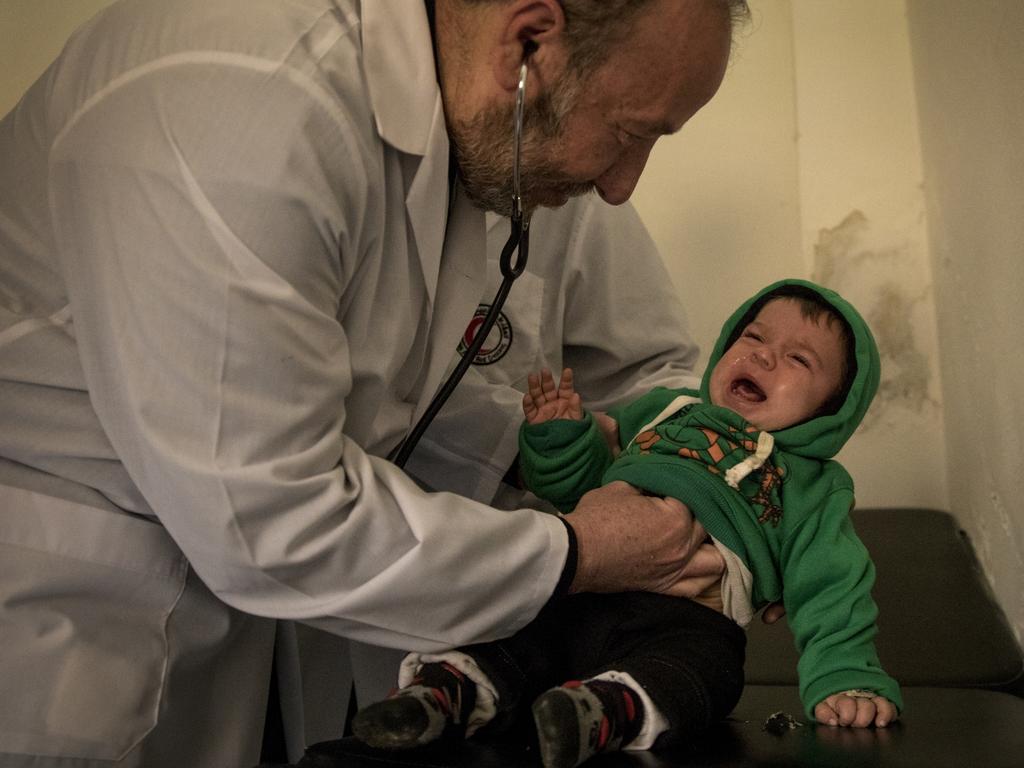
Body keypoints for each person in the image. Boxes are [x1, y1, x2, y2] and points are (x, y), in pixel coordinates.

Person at [0, 0, 750, 765]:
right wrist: (575, 551)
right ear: (528, 41)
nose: (624, 186)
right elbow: (267, 512)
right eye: (630, 131)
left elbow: (622, 377)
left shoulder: (495, 138)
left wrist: (673, 492)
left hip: (299, 613)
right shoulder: (246, 102)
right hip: (73, 609)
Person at [352, 279, 902, 768]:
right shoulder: (666, 410)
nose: (763, 357)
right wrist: (561, 436)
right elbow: (579, 484)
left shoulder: (812, 484)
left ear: (832, 410)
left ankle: (604, 710)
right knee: (513, 630)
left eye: (799, 360)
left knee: (709, 672)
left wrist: (845, 676)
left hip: (687, 617)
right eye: (754, 338)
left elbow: (834, 585)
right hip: (583, 586)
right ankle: (442, 692)